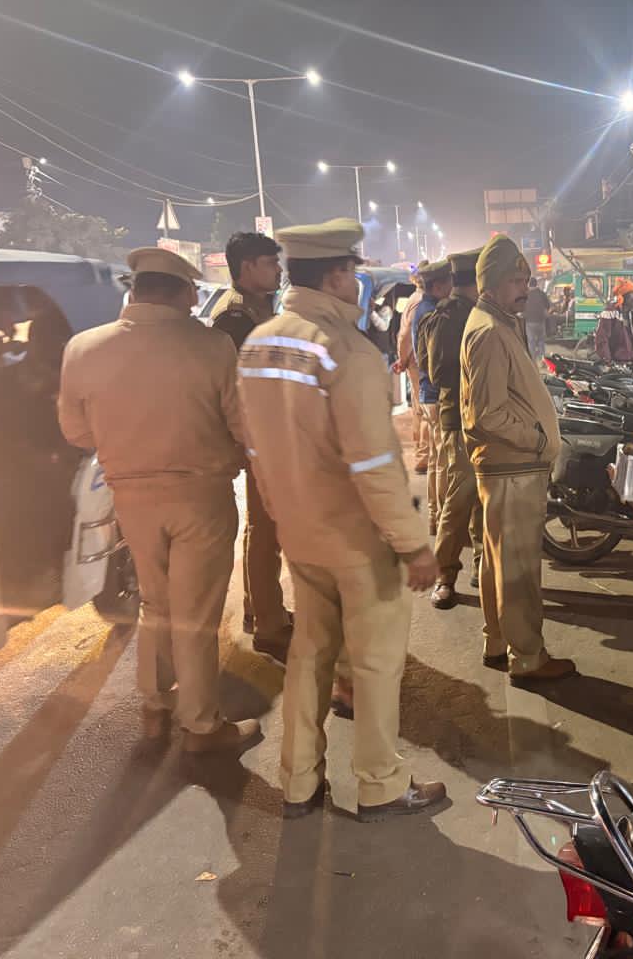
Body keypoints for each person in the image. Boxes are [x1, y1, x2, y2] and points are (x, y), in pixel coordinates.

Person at [235, 218, 444, 821]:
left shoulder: (258, 345)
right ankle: (380, 784)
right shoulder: (346, 351)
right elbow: (374, 464)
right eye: (352, 272)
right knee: (375, 663)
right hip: (357, 540)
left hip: (299, 533)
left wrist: (281, 514)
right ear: (335, 276)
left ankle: (299, 781)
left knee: (310, 653)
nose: (356, 283)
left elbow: (253, 447)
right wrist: (413, 544)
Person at [58, 248, 258, 752]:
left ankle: (154, 704)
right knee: (196, 613)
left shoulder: (84, 347)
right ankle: (201, 725)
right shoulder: (211, 346)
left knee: (155, 601)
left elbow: (75, 432)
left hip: (130, 496)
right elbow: (242, 424)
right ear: (184, 293)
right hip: (200, 496)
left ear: (136, 290)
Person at [461, 235, 575, 684]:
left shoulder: (497, 322)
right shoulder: (490, 332)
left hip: (508, 465)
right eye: (515, 281)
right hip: (512, 466)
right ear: (490, 284)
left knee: (498, 562)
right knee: (519, 570)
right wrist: (538, 438)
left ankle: (497, 640)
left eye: (526, 281)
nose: (524, 289)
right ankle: (527, 656)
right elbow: (486, 414)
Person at [209, 231, 294, 661]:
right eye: (270, 262)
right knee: (266, 531)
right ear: (246, 267)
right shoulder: (235, 318)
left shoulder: (254, 309)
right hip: (262, 438)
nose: (278, 270)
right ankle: (269, 625)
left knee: (264, 529)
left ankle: (259, 608)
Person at [424, 248, 485, 610]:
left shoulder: (484, 312)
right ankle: (444, 576)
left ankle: (481, 565)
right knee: (460, 499)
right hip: (460, 420)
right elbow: (438, 372)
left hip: (485, 419)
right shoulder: (449, 316)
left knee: (482, 498)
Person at [413, 260, 453, 535]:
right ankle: (440, 518)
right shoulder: (433, 314)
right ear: (438, 286)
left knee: (437, 459)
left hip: (428, 392)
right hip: (435, 393)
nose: (451, 288)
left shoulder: (423, 309)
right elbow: (434, 362)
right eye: (448, 283)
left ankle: (434, 517)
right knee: (442, 461)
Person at [393, 262, 430, 474]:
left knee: (420, 407)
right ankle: (424, 455)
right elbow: (406, 335)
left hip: (414, 359)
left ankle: (423, 452)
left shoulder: (414, 299)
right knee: (423, 408)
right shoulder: (420, 301)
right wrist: (403, 358)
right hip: (418, 360)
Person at [594, 299, 633, 363]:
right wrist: (607, 359)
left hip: (632, 360)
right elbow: (602, 338)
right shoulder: (610, 312)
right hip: (617, 361)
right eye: (632, 295)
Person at [523, 277, 549, 364]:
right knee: (541, 341)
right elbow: (548, 305)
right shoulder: (541, 293)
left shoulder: (525, 294)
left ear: (528, 284)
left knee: (531, 342)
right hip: (540, 321)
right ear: (536, 284)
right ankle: (542, 360)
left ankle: (532, 361)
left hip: (529, 321)